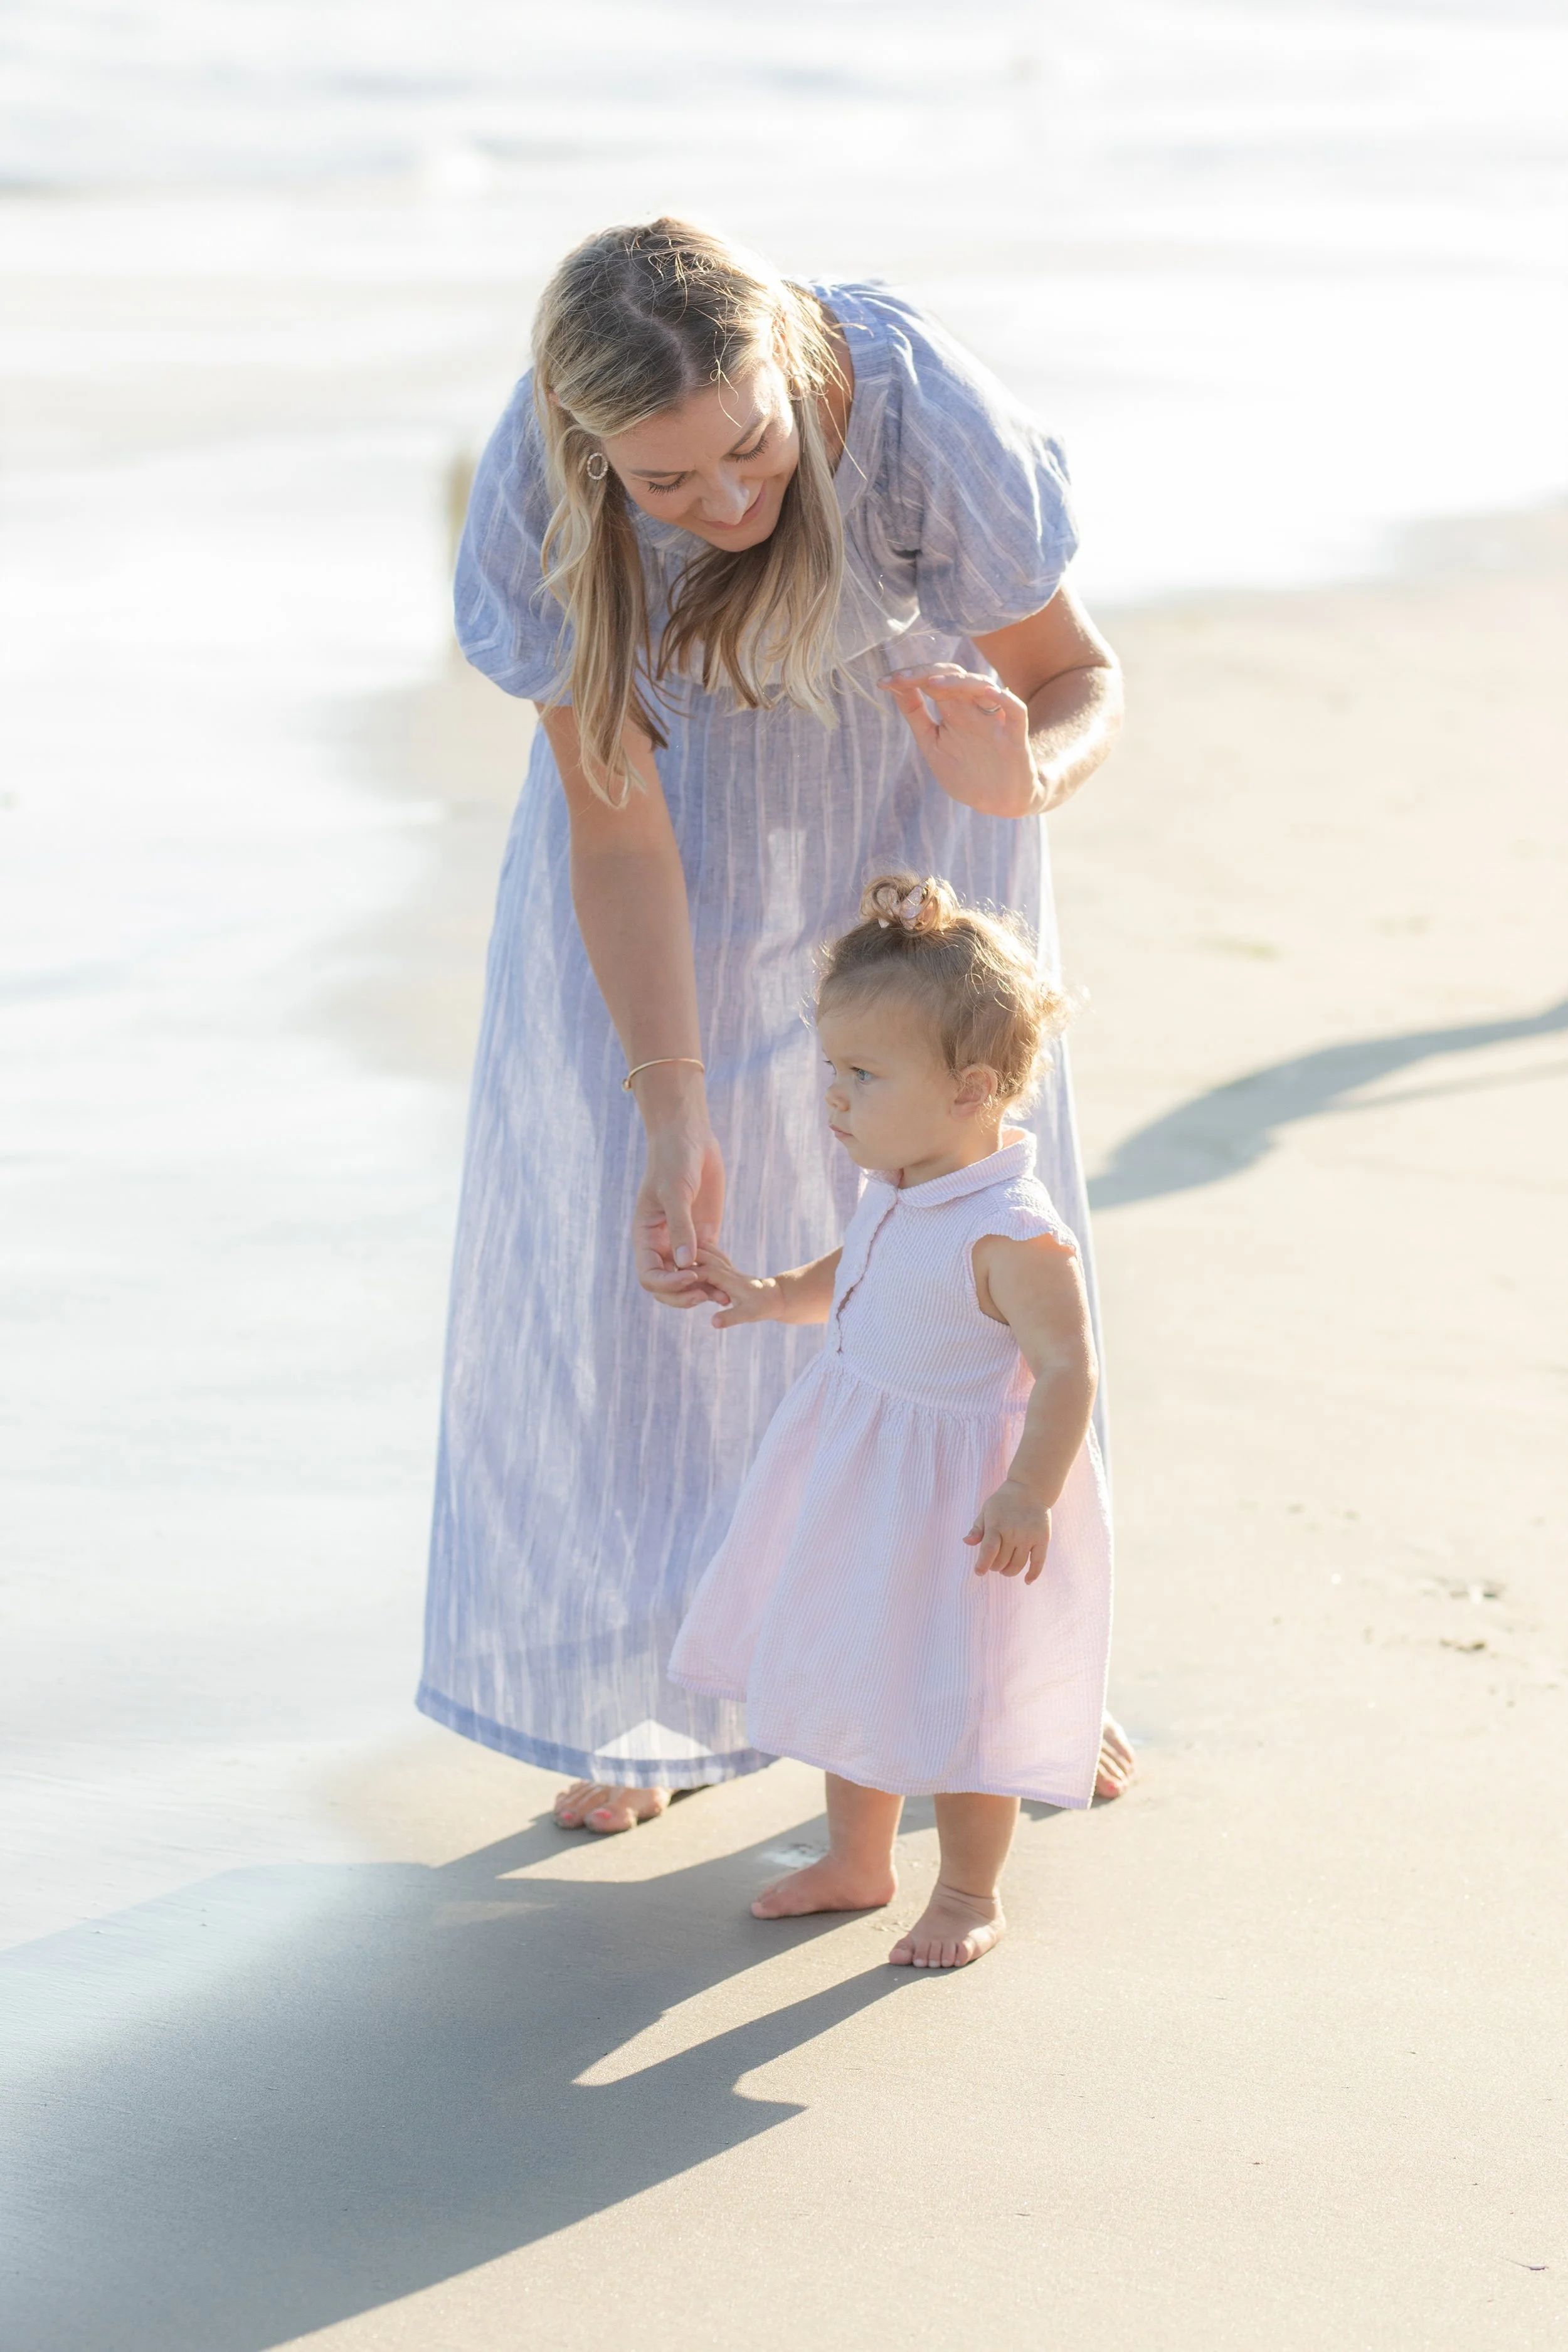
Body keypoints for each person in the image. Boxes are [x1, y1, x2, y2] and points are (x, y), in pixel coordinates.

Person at [418, 216, 1134, 1831]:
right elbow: (614, 830)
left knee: (951, 1258)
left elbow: (1077, 675)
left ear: (789, 375)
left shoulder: (912, 406)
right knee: (668, 1273)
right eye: (665, 482)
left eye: (751, 448)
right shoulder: (543, 487)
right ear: (589, 448)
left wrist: (1025, 772)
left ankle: (1007, 1669)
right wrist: (671, 1103)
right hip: (667, 845)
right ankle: (655, 1691)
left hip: (915, 823)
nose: (729, 502)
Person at [669, 874, 1109, 1967]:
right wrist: (776, 1293)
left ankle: (967, 1892)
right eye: (833, 1068)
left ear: (971, 1089)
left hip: (963, 1510)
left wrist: (1029, 1492)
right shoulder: (902, 1182)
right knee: (856, 1662)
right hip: (866, 1480)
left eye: (863, 1074)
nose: (835, 1096)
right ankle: (856, 1860)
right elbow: (860, 1268)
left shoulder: (1012, 1232)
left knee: (960, 1697)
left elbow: (1069, 1370)